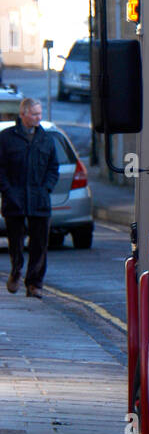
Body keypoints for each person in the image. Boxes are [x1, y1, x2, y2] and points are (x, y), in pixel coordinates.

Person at [0, 98, 59, 299]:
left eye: (40, 114)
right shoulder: (6, 138)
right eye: (34, 114)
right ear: (23, 114)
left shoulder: (46, 139)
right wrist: (8, 191)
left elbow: (53, 168)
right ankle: (16, 270)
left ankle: (34, 283)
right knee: (16, 241)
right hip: (14, 199)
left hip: (39, 199)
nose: (38, 118)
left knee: (40, 244)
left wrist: (46, 188)